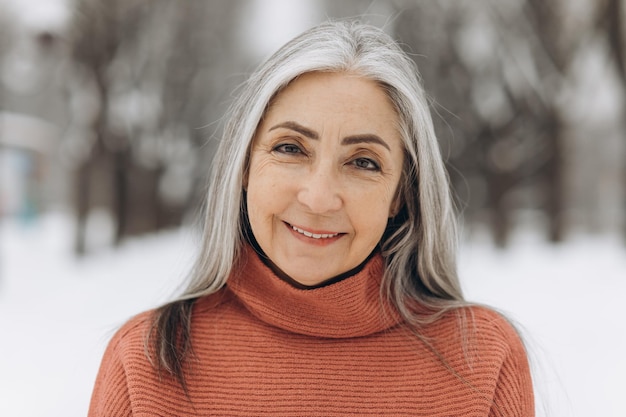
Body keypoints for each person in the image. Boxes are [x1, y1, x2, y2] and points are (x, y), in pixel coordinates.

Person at [89, 21, 534, 416]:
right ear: (244, 166)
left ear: (401, 193)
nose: (319, 198)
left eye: (363, 162)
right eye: (290, 148)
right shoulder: (145, 361)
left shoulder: (482, 359)